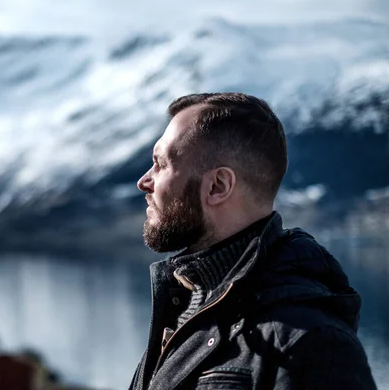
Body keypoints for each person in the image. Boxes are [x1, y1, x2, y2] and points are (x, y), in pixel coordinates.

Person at [129, 93, 376, 390]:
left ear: (218, 186)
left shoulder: (310, 343)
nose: (144, 181)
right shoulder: (186, 305)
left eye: (161, 164)